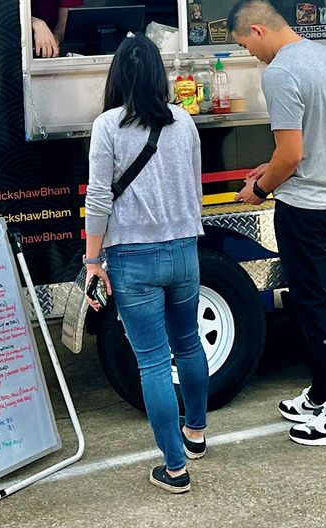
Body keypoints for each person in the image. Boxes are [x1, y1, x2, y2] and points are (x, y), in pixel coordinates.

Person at [229, 0, 326, 447]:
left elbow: (291, 153)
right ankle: (321, 395)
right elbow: (306, 143)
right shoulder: (324, 58)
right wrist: (265, 170)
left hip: (305, 210)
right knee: (322, 305)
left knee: (317, 308)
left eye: (246, 46)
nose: (250, 55)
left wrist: (260, 189)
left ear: (258, 31)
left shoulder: (281, 72)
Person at [83, 33, 208, 493]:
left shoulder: (108, 126)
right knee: (189, 345)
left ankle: (175, 469)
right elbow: (192, 188)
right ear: (160, 76)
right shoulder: (185, 122)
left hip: (131, 257)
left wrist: (92, 260)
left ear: (117, 76)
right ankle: (195, 434)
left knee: (154, 363)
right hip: (183, 251)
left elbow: (99, 197)